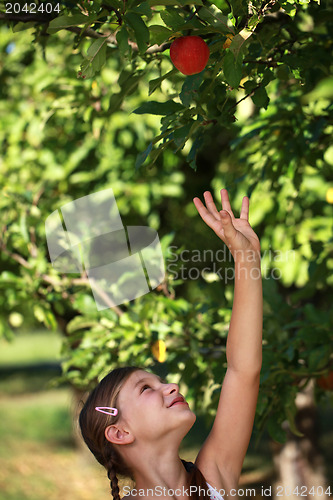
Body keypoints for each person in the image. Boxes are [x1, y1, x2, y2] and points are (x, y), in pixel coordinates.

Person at [79, 189, 263, 500]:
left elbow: (243, 369)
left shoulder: (214, 477)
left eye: (159, 382)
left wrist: (246, 258)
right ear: (120, 432)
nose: (172, 386)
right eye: (146, 389)